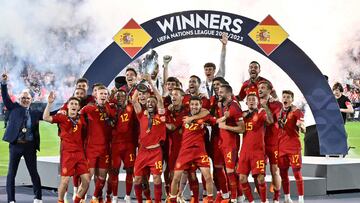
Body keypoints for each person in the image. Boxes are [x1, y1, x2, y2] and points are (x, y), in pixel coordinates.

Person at [1, 73, 44, 203]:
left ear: (31, 100)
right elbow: (5, 96)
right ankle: (11, 200)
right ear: (19, 99)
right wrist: (3, 83)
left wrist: (62, 109)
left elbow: (50, 114)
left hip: (30, 146)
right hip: (15, 145)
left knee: (33, 172)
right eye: (23, 98)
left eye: (27, 98)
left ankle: (38, 197)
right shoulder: (13, 107)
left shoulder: (35, 112)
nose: (25, 100)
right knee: (11, 174)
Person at [43, 93, 90, 203]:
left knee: (86, 180)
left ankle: (76, 200)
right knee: (65, 181)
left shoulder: (82, 118)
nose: (74, 105)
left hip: (80, 153)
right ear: (67, 106)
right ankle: (60, 201)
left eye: (76, 104)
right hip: (67, 153)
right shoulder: (62, 117)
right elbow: (45, 117)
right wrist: (49, 104)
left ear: (78, 107)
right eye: (71, 103)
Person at [169, 96, 215, 203]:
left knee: (208, 177)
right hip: (185, 152)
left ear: (200, 106)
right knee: (176, 178)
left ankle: (210, 200)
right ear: (189, 106)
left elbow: (214, 120)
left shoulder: (205, 117)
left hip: (200, 152)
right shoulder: (183, 117)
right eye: (192, 104)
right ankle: (172, 199)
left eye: (196, 104)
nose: (194, 106)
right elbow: (173, 127)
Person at [132, 74, 166, 203]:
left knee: (157, 178)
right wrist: (141, 82)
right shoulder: (141, 115)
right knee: (138, 179)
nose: (150, 103)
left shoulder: (161, 116)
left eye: (153, 102)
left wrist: (151, 82)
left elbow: (159, 98)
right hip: (142, 152)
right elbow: (134, 100)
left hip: (156, 152)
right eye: (148, 102)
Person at [237, 93, 273, 203]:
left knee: (260, 179)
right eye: (249, 100)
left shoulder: (261, 112)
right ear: (246, 103)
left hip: (258, 152)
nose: (252, 101)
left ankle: (264, 201)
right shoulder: (242, 115)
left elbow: (270, 121)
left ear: (257, 102)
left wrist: (265, 106)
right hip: (244, 152)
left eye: (254, 99)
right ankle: (251, 201)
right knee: (242, 179)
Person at [80, 86, 112, 203]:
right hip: (91, 149)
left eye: (105, 94)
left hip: (105, 149)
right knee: (87, 177)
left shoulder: (109, 109)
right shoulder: (88, 108)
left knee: (103, 177)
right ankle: (81, 198)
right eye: (101, 93)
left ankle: (95, 197)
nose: (103, 95)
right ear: (96, 96)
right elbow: (76, 118)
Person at [215, 84, 245, 203]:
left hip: (231, 144)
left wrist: (225, 126)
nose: (219, 93)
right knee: (220, 169)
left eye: (221, 92)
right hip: (222, 142)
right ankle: (234, 195)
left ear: (228, 94)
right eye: (218, 91)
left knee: (230, 171)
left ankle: (234, 198)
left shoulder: (234, 107)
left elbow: (242, 129)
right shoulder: (221, 104)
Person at [107, 89, 136, 203]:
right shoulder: (111, 108)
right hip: (115, 145)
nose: (120, 98)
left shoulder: (131, 108)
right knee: (114, 171)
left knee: (130, 170)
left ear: (126, 97)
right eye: (117, 96)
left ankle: (127, 196)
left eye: (122, 96)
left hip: (129, 145)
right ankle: (115, 196)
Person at [277, 90, 305, 203]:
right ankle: (287, 198)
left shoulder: (297, 111)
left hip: (293, 147)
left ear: (292, 99)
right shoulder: (280, 112)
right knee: (283, 173)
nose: (286, 99)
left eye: (288, 97)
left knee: (297, 173)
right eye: (284, 97)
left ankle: (301, 198)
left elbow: (302, 125)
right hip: (281, 147)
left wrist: (301, 127)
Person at [258, 81, 282, 202]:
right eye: (259, 88)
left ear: (269, 90)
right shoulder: (255, 103)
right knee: (260, 173)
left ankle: (276, 199)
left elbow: (271, 121)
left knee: (274, 171)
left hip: (273, 142)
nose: (260, 90)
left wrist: (265, 106)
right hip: (259, 144)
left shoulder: (277, 104)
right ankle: (264, 199)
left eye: (263, 88)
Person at [200, 33, 228, 98]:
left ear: (214, 71)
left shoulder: (219, 77)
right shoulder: (201, 84)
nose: (208, 71)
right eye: (206, 70)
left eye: (210, 69)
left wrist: (224, 45)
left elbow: (222, 60)